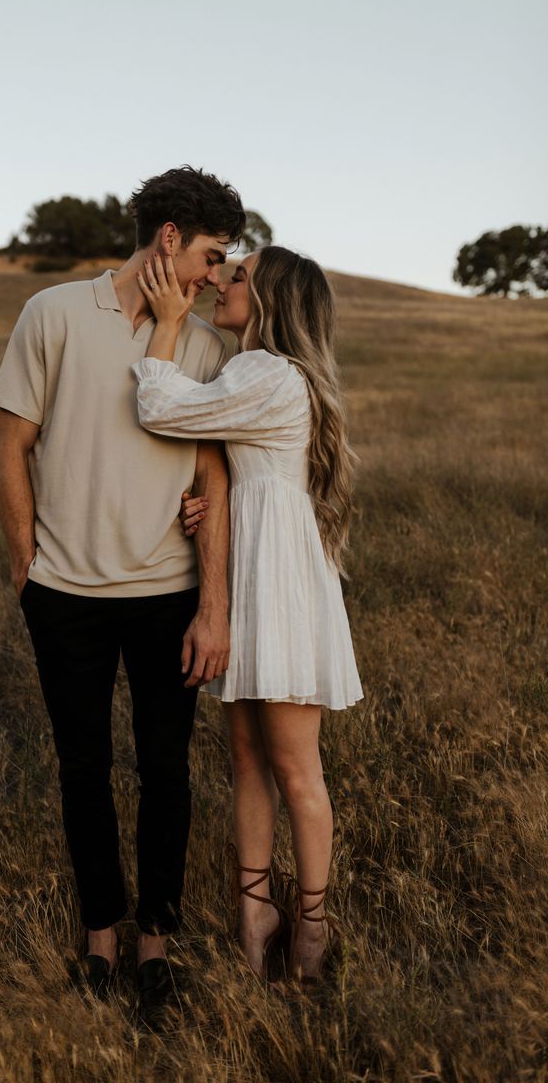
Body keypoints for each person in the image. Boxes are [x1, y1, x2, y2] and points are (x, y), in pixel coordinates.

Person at [0, 166, 245, 1024]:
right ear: (169, 238)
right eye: (211, 256)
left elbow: (213, 477)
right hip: (64, 593)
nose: (215, 276)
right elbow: (11, 445)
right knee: (83, 769)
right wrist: (27, 565)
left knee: (167, 773)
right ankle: (101, 935)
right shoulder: (52, 314)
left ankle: (155, 945)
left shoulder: (206, 347)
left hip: (168, 593)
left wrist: (213, 606)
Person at [132, 246, 363, 984]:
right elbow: (237, 466)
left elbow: (159, 406)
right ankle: (255, 911)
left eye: (237, 277)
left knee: (294, 770)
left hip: (280, 586)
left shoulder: (267, 373)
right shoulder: (257, 373)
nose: (221, 285)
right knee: (250, 764)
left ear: (269, 302)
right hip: (258, 569)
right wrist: (208, 508)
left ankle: (313, 927)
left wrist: (167, 324)